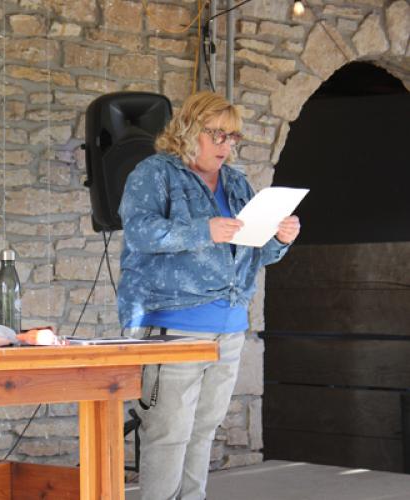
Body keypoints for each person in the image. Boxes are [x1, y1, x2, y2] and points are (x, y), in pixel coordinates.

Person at [117, 91, 300, 500]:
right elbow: (140, 232)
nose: (225, 145)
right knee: (169, 434)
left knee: (202, 432)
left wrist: (280, 239)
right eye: (216, 134)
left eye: (232, 137)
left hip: (229, 327)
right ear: (188, 129)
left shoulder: (236, 182)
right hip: (173, 326)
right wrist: (204, 230)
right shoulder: (155, 173)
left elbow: (255, 252)